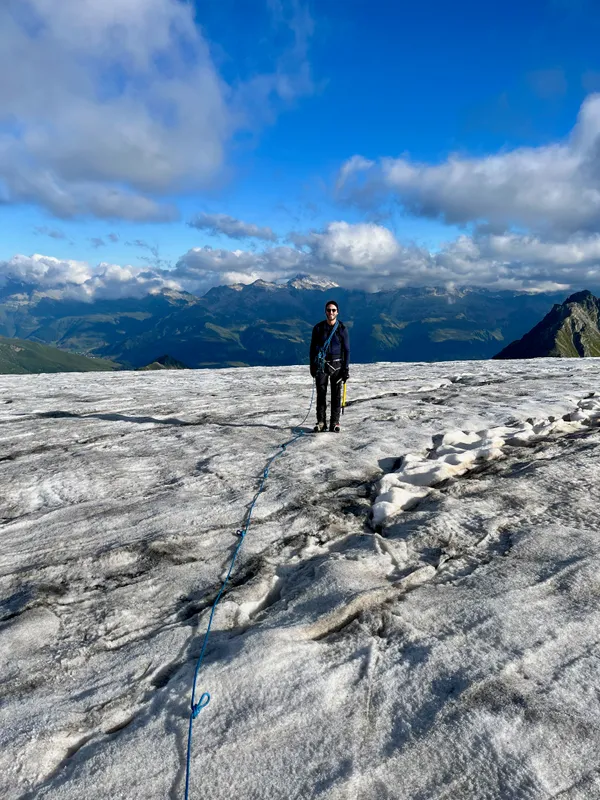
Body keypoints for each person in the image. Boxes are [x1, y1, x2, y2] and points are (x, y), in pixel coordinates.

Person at [309, 300, 350, 433]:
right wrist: (312, 366)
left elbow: (347, 350)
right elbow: (312, 349)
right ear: (325, 312)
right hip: (322, 365)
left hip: (337, 365)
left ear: (337, 312)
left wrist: (346, 368)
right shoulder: (318, 328)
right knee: (321, 395)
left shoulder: (342, 329)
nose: (331, 312)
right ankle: (321, 422)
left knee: (336, 396)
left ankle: (334, 423)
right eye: (328, 310)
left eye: (333, 310)